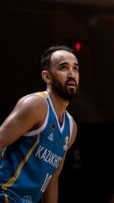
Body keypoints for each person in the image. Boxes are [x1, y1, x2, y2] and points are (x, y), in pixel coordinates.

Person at [0, 45, 79, 203]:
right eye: (63, 67)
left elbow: (52, 180)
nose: (71, 74)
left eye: (75, 68)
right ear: (46, 76)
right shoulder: (36, 105)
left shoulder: (71, 127)